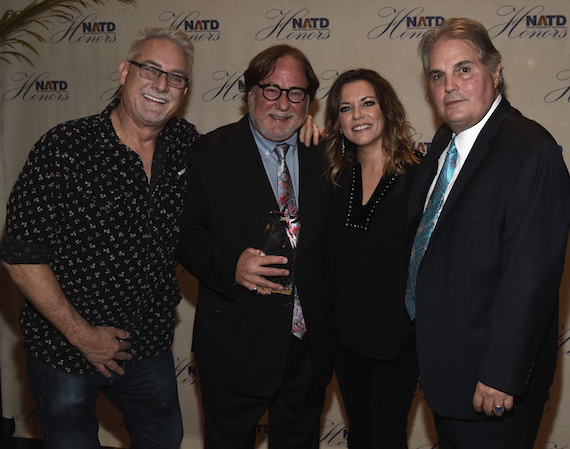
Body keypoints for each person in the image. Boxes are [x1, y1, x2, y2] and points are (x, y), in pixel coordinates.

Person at [0, 28, 199, 449]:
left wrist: (303, 133)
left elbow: (247, 152)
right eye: (151, 69)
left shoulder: (186, 145)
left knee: (166, 440)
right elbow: (21, 254)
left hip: (147, 346)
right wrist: (83, 336)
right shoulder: (65, 148)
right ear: (125, 71)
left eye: (176, 77)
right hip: (65, 349)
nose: (162, 84)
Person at [404, 17, 570, 449]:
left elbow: (530, 279)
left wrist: (501, 373)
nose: (450, 86)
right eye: (437, 76)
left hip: (492, 390)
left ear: (495, 73)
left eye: (464, 69)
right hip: (444, 377)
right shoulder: (441, 145)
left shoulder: (532, 151)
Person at [175, 44, 333, 449]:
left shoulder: (328, 154)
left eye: (295, 93)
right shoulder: (208, 153)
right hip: (235, 346)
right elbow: (183, 234)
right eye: (271, 90)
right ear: (249, 93)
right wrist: (231, 265)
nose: (283, 104)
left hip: (308, 350)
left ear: (308, 100)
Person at [322, 69, 420, 448]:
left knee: (387, 433)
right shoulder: (331, 177)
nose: (358, 115)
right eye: (346, 108)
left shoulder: (418, 174)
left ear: (386, 109)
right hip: (345, 336)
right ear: (337, 121)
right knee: (360, 431)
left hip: (398, 336)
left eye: (367, 103)